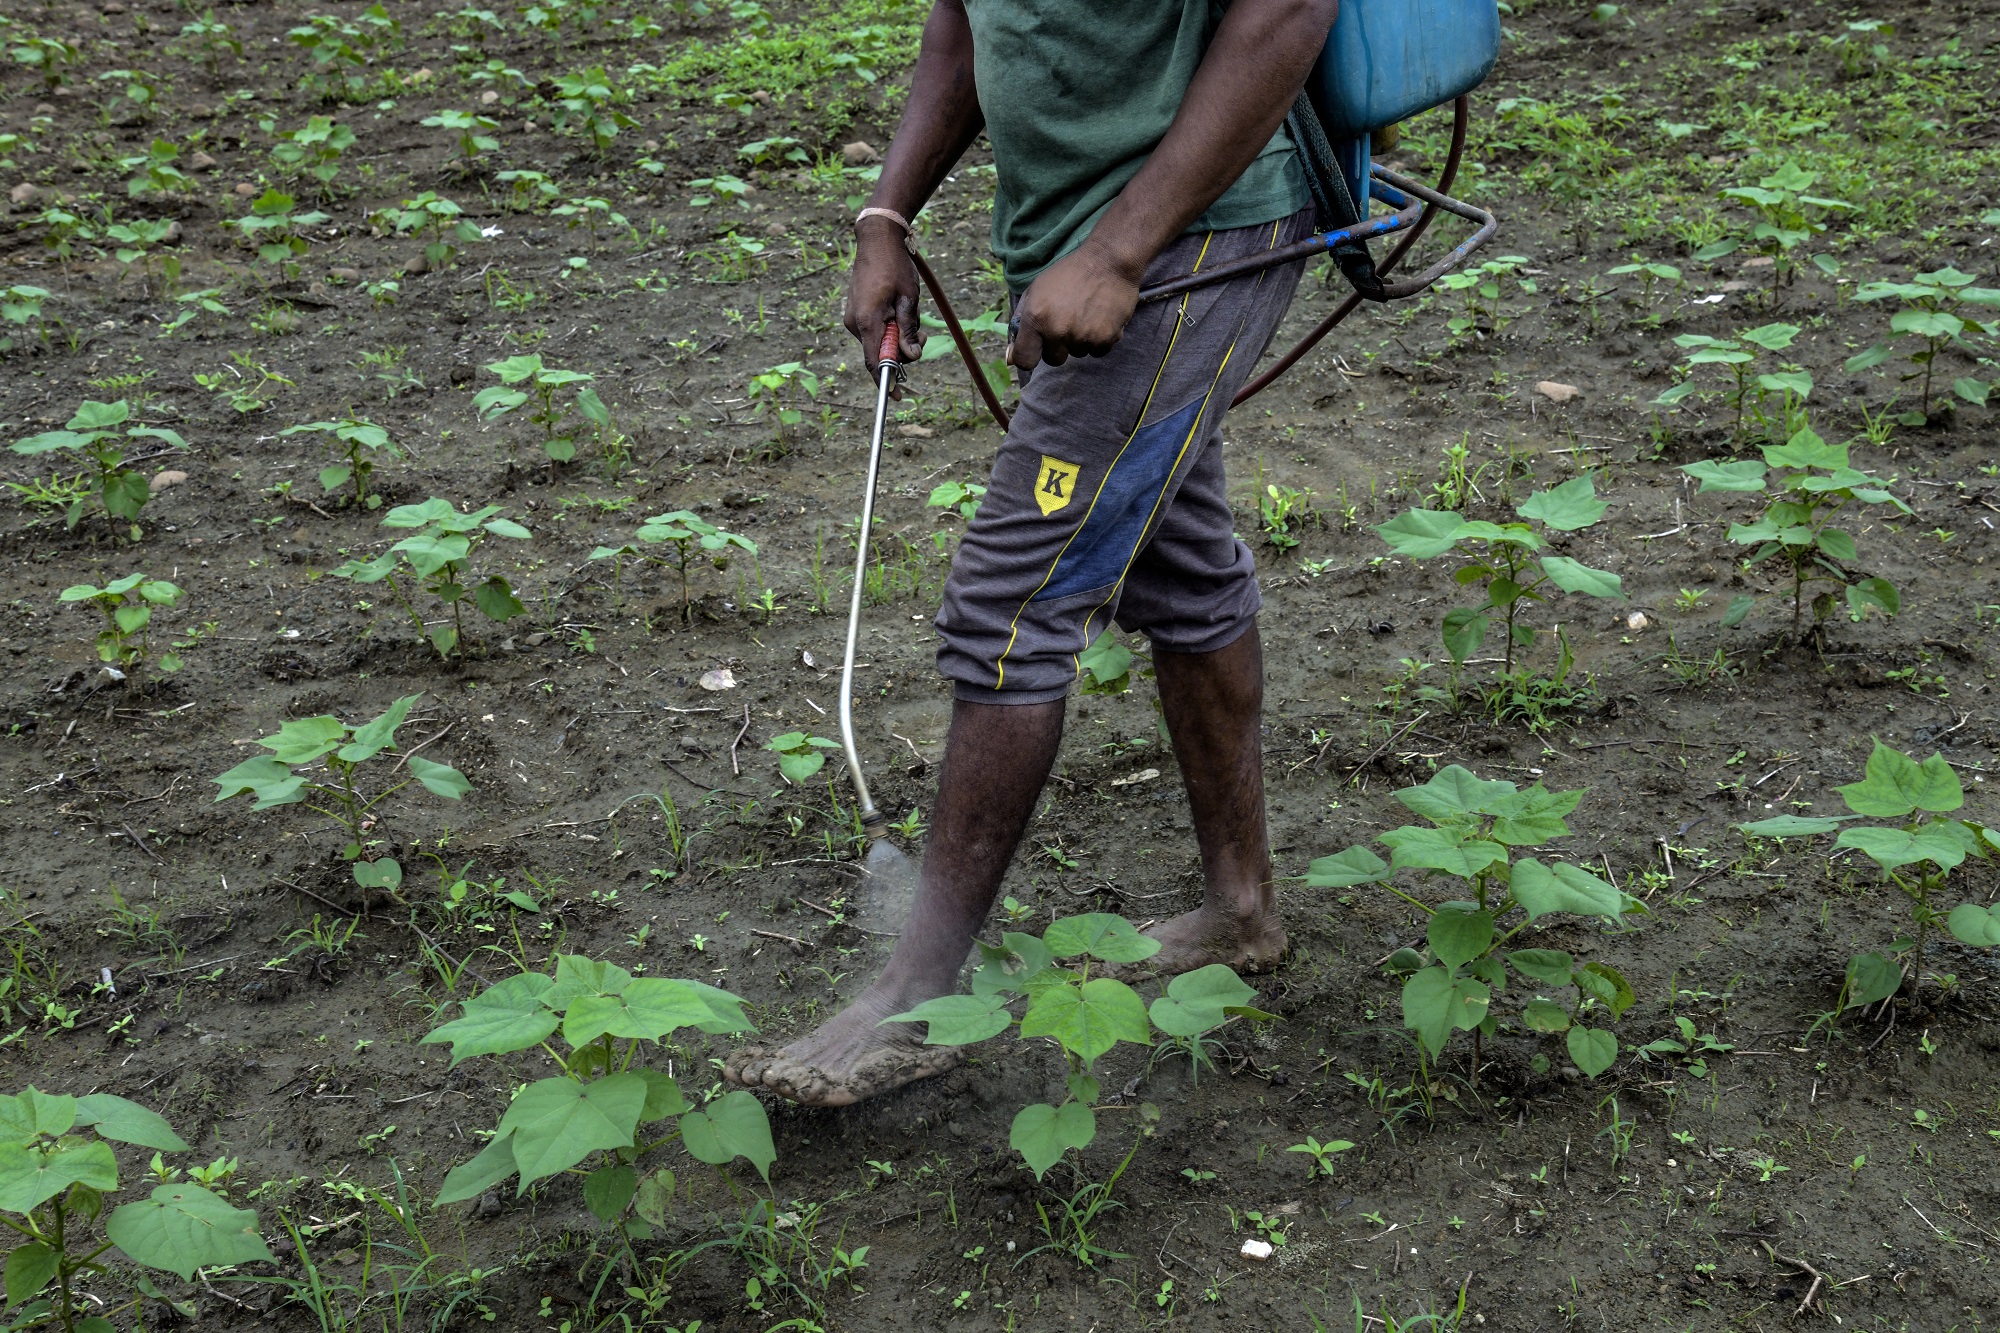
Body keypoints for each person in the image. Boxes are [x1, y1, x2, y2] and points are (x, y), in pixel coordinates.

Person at [726, 0, 1339, 1107]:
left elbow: (1286, 12)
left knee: (1010, 602)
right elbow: (967, 26)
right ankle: (1239, 910)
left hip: (1185, 234)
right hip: (1075, 235)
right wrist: (885, 216)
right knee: (1175, 555)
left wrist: (1116, 250)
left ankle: (912, 997)